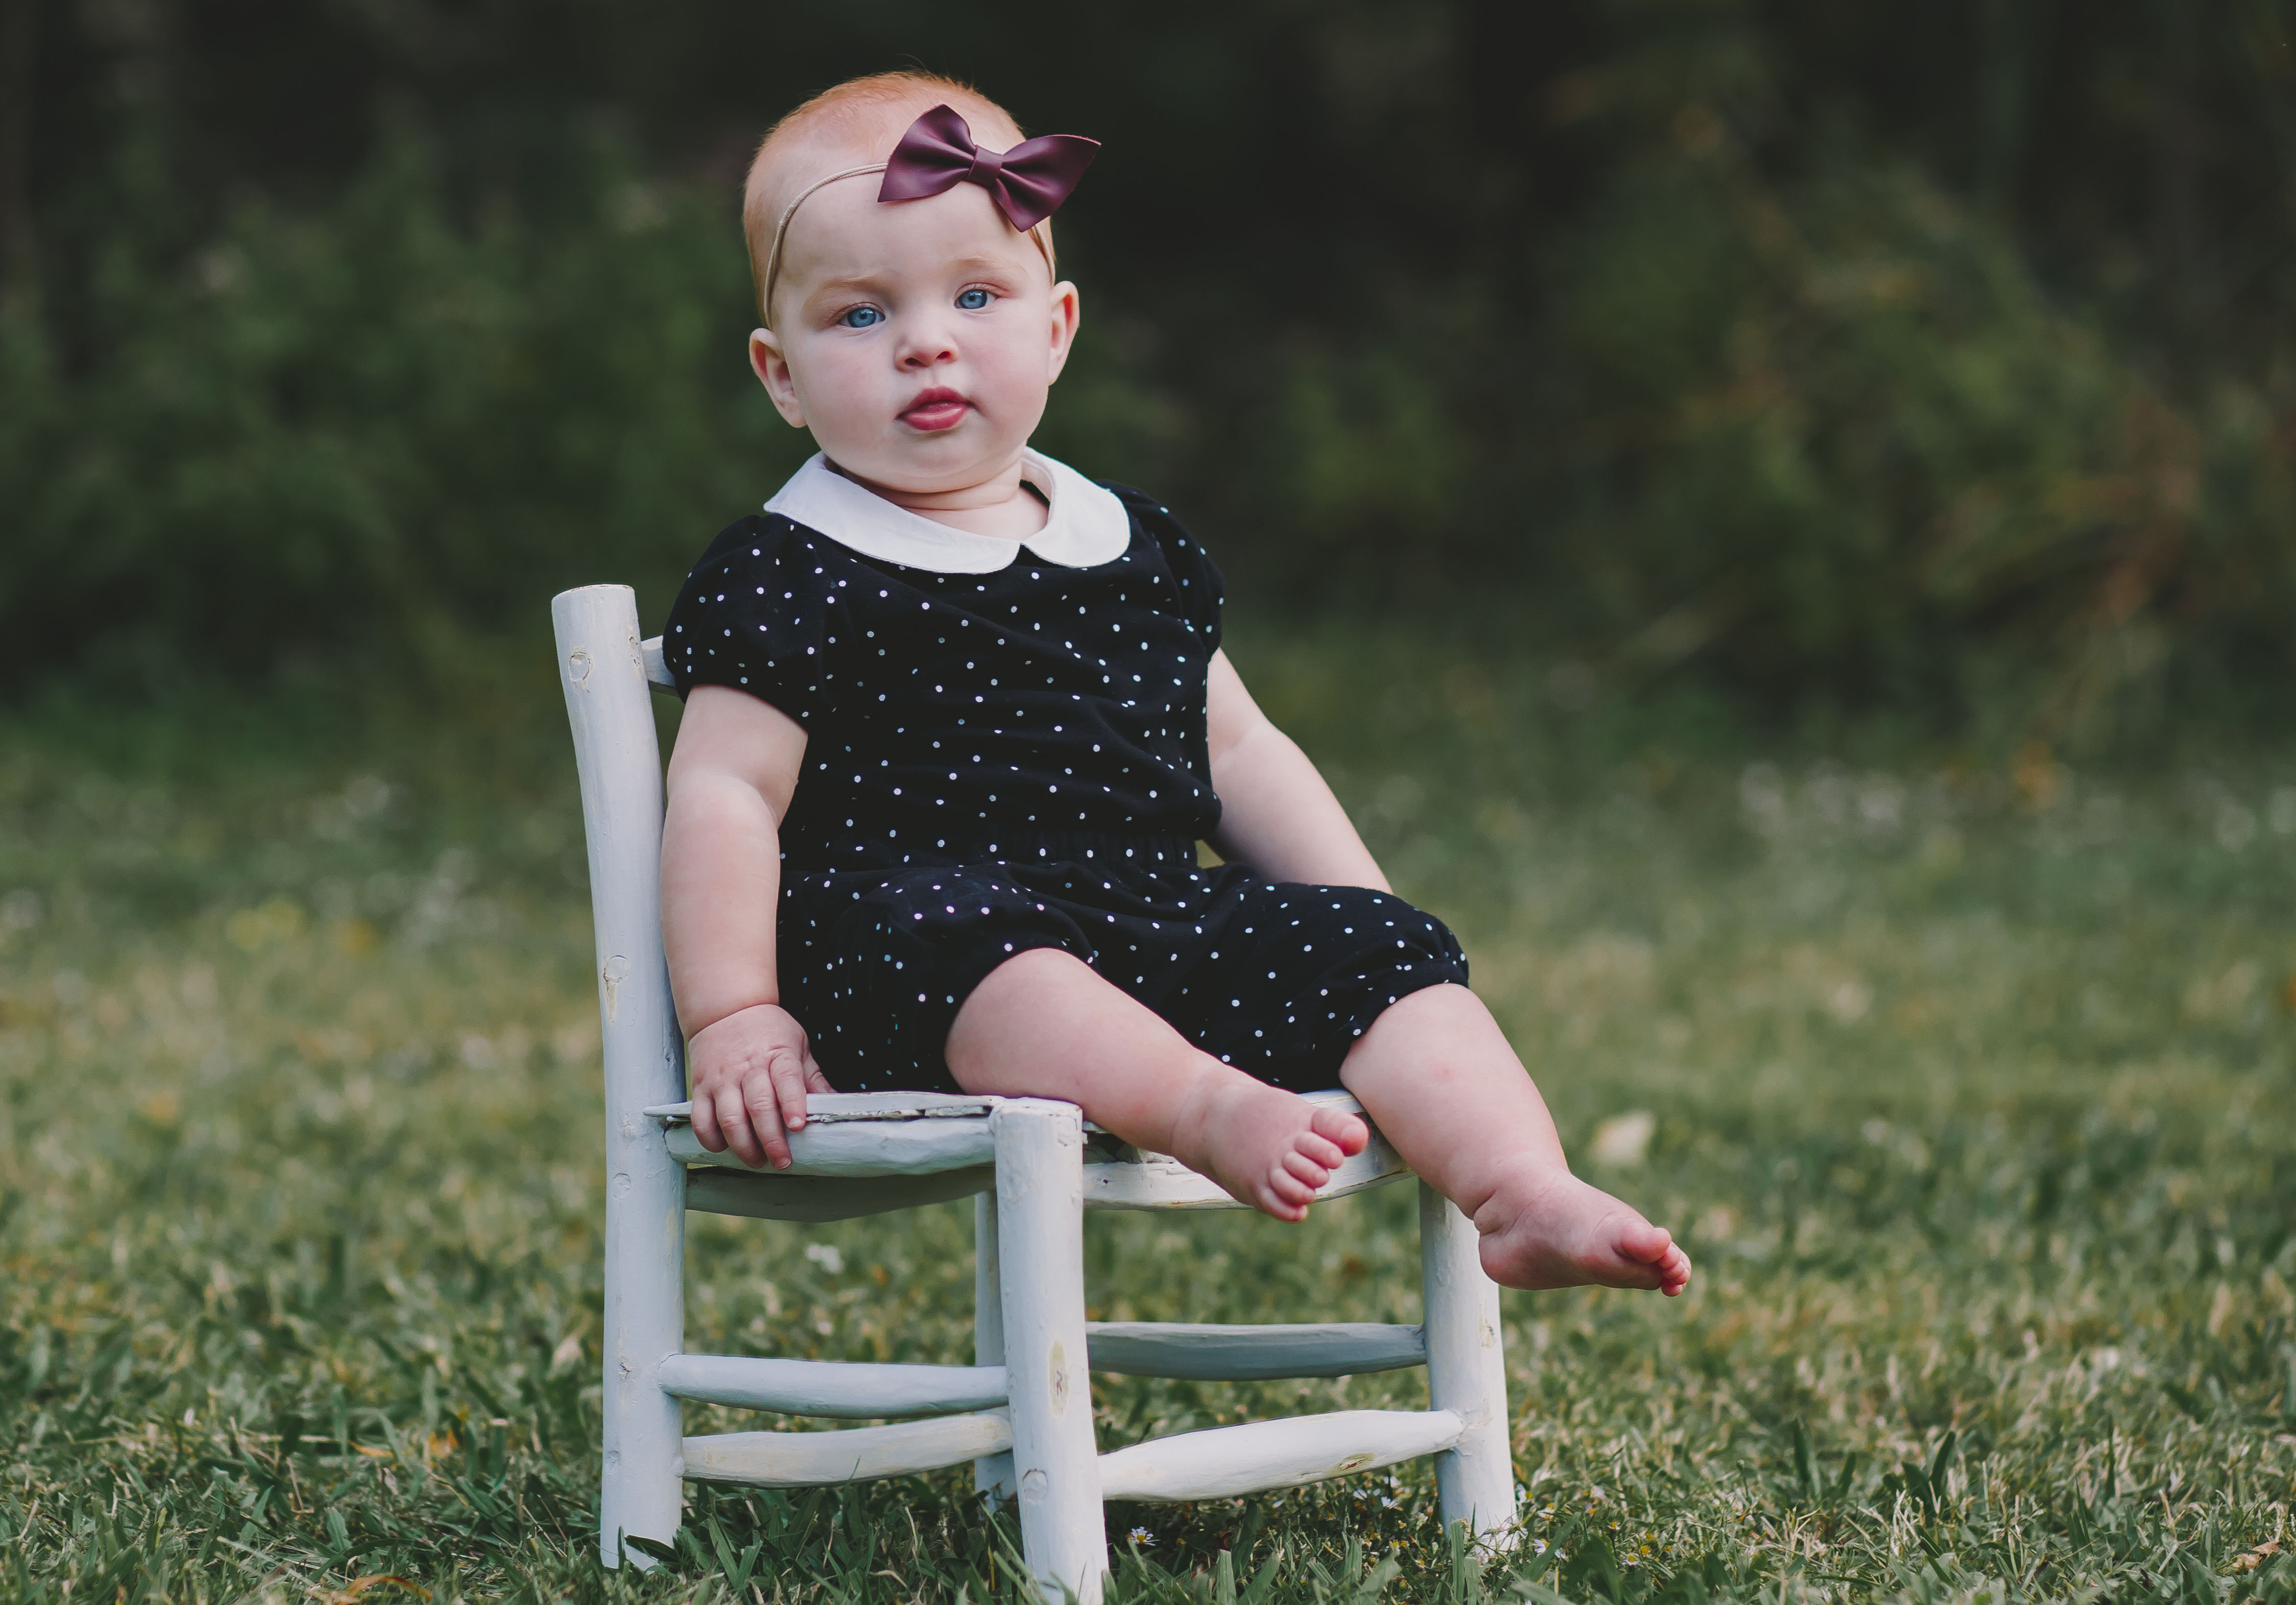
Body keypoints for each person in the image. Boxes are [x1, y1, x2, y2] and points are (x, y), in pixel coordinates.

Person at [656, 71, 1690, 1295]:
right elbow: (724, 794)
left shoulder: (1128, 543)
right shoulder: (791, 567)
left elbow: (1239, 752)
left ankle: (1520, 1189)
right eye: (860, 314)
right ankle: (1207, 1108)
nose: (926, 341)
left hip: (1147, 919)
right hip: (918, 953)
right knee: (988, 949)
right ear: (780, 374)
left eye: (975, 295)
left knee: (1386, 950)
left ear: (1057, 328)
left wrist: (1356, 916)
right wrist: (735, 1012)